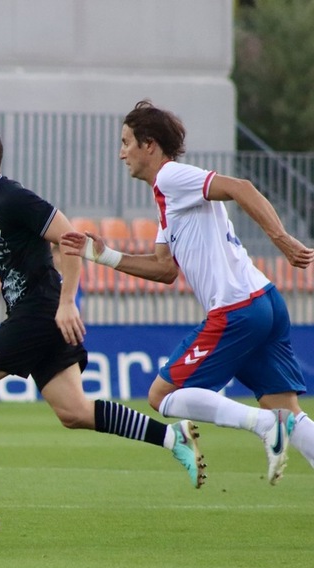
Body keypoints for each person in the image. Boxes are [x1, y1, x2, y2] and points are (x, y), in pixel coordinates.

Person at [0, 124, 207, 516]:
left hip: (41, 310)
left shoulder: (14, 197)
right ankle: (171, 437)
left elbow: (70, 238)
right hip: (39, 314)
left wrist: (67, 302)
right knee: (74, 412)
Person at [60, 99, 314, 484]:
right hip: (264, 301)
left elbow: (240, 186)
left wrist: (280, 238)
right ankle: (273, 421)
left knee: (162, 396)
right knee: (290, 414)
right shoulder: (167, 198)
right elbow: (164, 269)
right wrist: (105, 255)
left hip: (237, 309)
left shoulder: (170, 177)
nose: (121, 152)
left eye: (126, 141)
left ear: (149, 145)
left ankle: (264, 425)